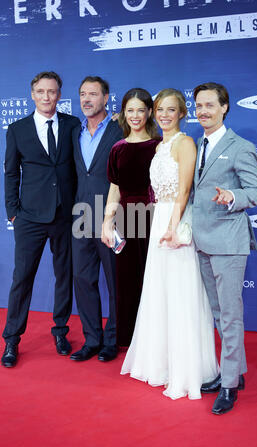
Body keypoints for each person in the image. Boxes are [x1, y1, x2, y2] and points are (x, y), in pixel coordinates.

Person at [121, 88, 219, 400]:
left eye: (171, 110)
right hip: (159, 220)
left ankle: (187, 369)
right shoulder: (160, 145)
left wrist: (173, 227)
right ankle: (161, 364)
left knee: (180, 294)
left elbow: (186, 188)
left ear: (181, 113)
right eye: (160, 109)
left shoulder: (184, 143)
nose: (164, 115)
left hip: (175, 223)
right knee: (160, 292)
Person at [193, 82, 257, 414]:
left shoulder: (240, 147)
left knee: (231, 315)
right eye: (199, 106)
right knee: (219, 313)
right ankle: (236, 372)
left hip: (229, 241)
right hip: (202, 239)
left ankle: (229, 384)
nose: (203, 111)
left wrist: (233, 197)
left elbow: (255, 193)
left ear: (225, 107)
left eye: (210, 105)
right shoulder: (198, 144)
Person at [2, 71, 80, 367]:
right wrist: (13, 211)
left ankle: (60, 330)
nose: (47, 97)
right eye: (41, 92)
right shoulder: (17, 129)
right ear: (32, 94)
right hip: (30, 217)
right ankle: (11, 339)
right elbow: (11, 173)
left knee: (65, 275)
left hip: (66, 215)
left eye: (52, 92)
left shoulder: (73, 125)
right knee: (22, 278)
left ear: (59, 95)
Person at [70, 76, 123, 363]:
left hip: (113, 216)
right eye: (82, 94)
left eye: (93, 94)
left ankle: (112, 340)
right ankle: (92, 339)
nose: (87, 99)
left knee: (115, 280)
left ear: (106, 98)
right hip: (80, 215)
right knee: (83, 278)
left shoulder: (122, 127)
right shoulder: (73, 131)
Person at [101, 88, 160, 347]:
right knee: (127, 280)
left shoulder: (161, 146)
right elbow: (114, 188)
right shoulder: (118, 149)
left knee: (155, 280)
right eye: (130, 110)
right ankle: (132, 339)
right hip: (125, 221)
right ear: (124, 113)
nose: (135, 115)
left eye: (140, 110)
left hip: (154, 220)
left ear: (149, 112)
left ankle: (156, 339)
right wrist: (106, 222)